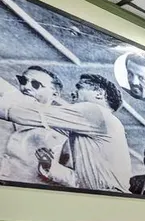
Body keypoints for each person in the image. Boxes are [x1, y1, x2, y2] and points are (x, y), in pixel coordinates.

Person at [0, 73, 131, 192]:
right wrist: (51, 167)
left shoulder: (95, 111)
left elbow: (32, 114)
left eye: (79, 87)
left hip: (105, 198)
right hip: (103, 199)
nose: (73, 93)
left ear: (99, 93)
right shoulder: (100, 126)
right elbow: (80, 181)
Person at [0, 66, 68, 184]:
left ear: (55, 94)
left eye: (36, 84)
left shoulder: (63, 132)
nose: (26, 87)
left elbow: (77, 178)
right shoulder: (4, 116)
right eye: (23, 81)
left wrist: (50, 168)